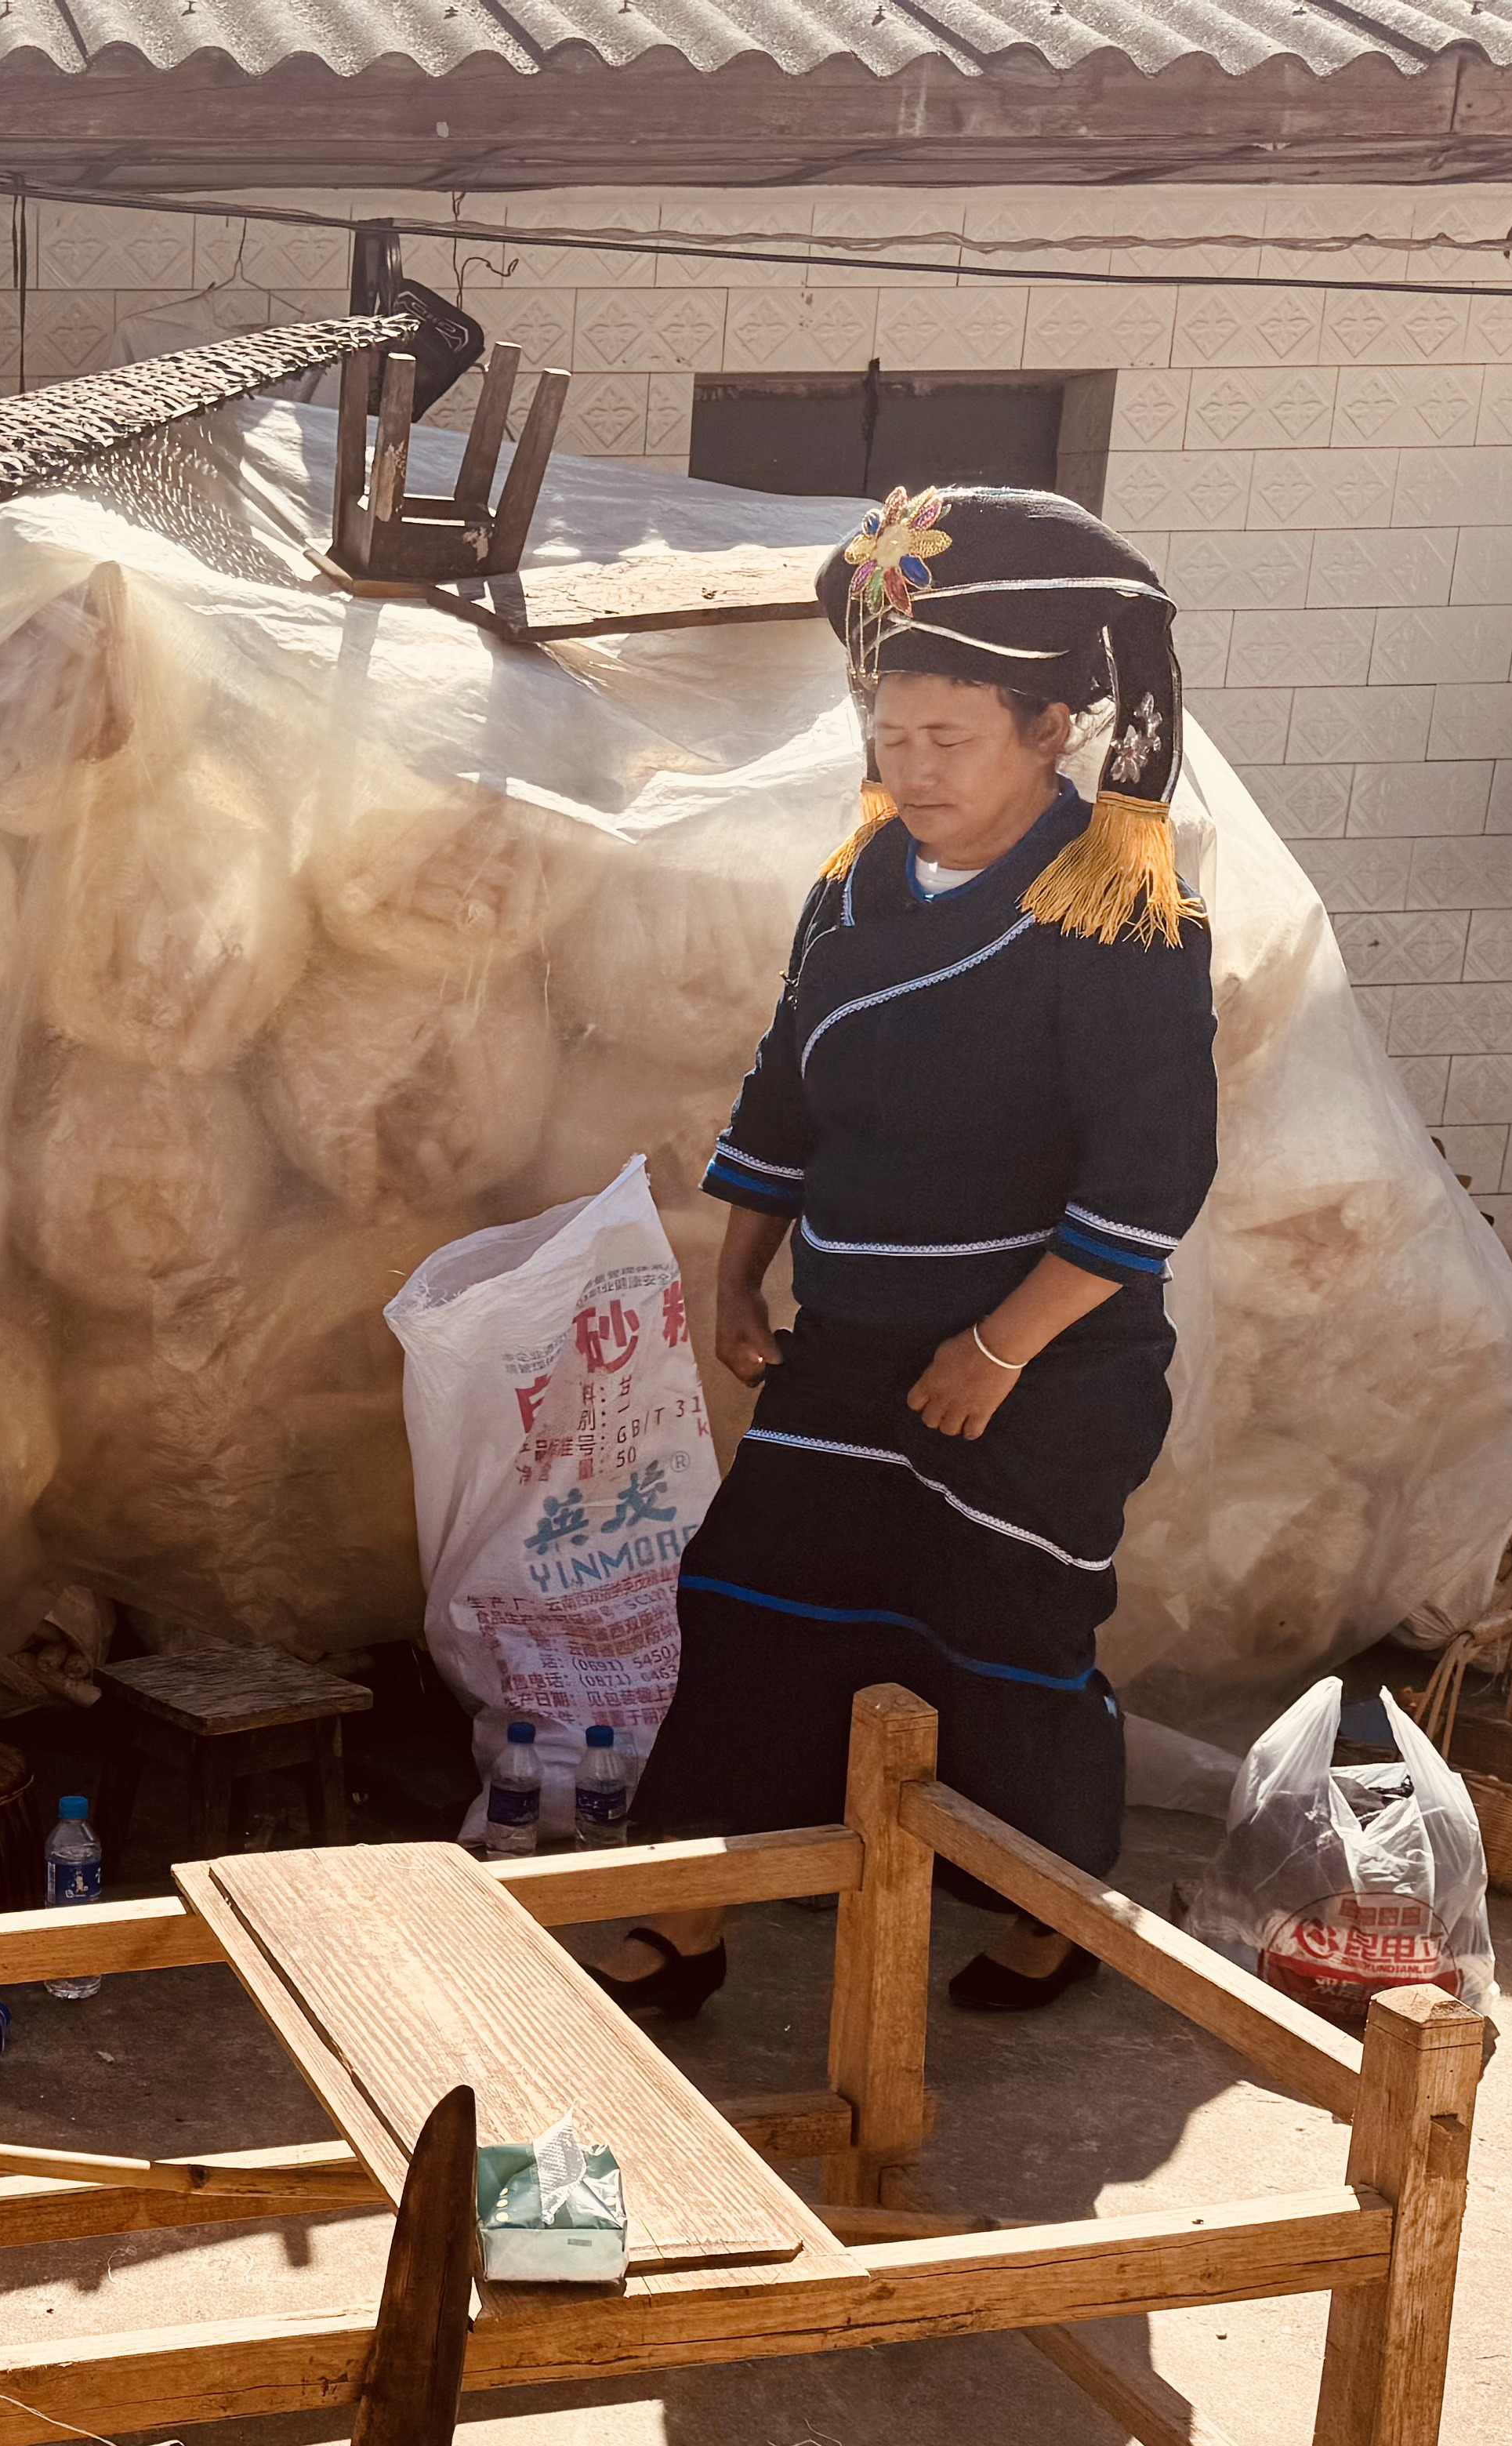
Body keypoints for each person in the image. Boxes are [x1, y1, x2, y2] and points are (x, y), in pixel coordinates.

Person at [597, 486, 1216, 2022]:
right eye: (892, 734)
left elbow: (1152, 1177)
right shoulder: (861, 880)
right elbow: (787, 1086)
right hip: (856, 1340)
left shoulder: (1122, 912)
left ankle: (1049, 1905)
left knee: (1000, 1634)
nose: (913, 768)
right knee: (751, 1601)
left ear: (1051, 730)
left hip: (1049, 1365)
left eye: (951, 739)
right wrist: (738, 1270)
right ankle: (690, 1907)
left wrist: (999, 1349)